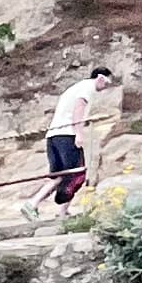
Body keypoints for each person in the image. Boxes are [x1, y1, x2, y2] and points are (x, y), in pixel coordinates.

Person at [42, 66, 109, 208]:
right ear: (100, 78)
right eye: (106, 83)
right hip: (67, 135)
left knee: (61, 176)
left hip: (53, 135)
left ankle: (42, 206)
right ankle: (39, 205)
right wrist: (79, 133)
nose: (105, 87)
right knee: (77, 174)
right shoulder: (87, 88)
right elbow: (78, 109)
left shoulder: (73, 88)